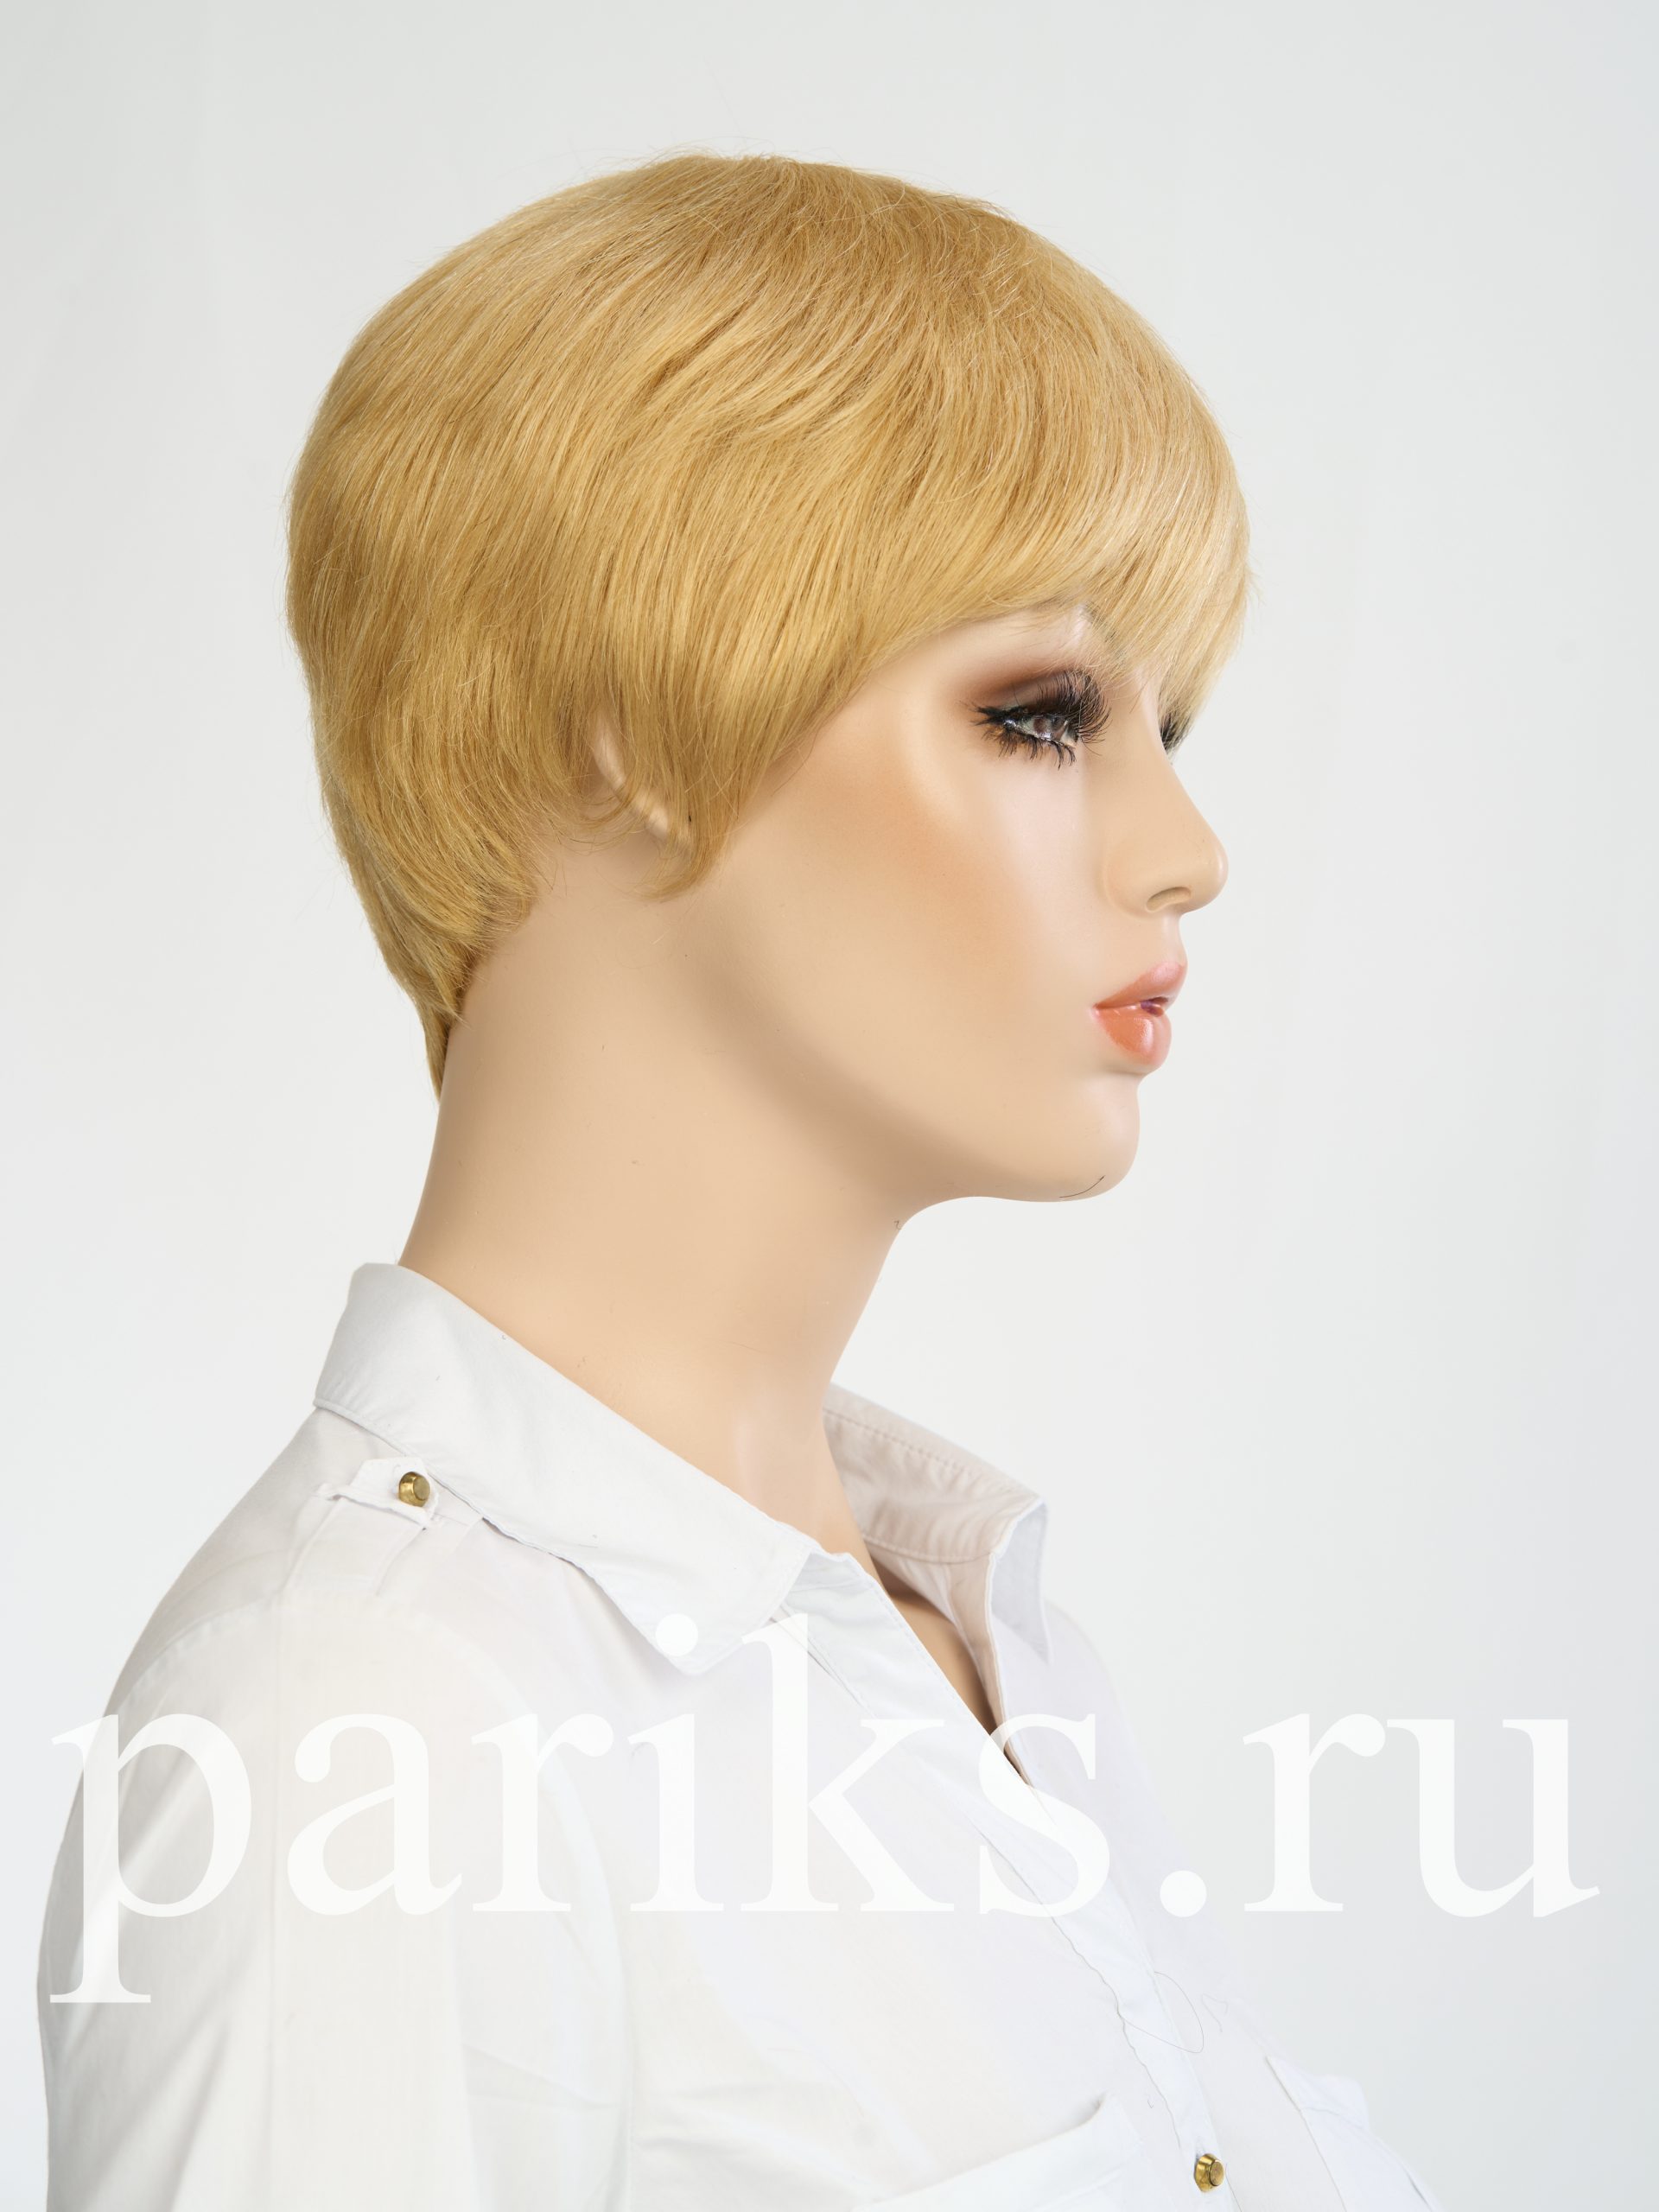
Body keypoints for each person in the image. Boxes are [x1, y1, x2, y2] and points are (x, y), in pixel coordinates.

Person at [38, 151, 1449, 2209]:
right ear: (620, 720)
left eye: (1171, 722)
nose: (1189, 847)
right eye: (1044, 713)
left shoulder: (985, 1643)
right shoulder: (374, 1734)